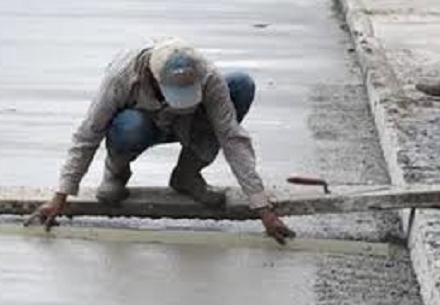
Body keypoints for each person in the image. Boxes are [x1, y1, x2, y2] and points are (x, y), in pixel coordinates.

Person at [26, 39, 295, 245]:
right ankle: (116, 173)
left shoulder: (206, 75)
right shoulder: (122, 77)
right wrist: (60, 196)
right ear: (152, 79)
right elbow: (88, 135)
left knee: (240, 84)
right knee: (128, 127)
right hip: (142, 125)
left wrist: (262, 208)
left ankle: (187, 176)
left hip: (189, 125)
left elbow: (231, 137)